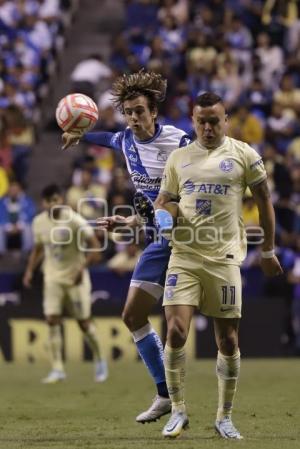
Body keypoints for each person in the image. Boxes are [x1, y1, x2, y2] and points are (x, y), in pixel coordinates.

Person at [62, 70, 191, 422]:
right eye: (129, 112)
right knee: (132, 315)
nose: (134, 118)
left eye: (139, 111)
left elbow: (198, 185)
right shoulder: (126, 141)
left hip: (189, 236)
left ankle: (200, 405)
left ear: (154, 113)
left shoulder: (179, 142)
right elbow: (106, 137)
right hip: (158, 239)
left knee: (201, 327)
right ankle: (165, 394)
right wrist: (80, 134)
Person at [153, 92, 283, 439]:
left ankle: (224, 416)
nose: (208, 127)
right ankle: (178, 411)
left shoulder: (244, 154)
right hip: (184, 256)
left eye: (215, 121)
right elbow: (164, 201)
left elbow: (265, 200)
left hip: (225, 259)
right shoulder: (179, 158)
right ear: (192, 121)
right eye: (201, 121)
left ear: (225, 120)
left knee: (227, 340)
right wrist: (164, 215)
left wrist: (268, 251)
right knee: (176, 331)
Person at [23, 184, 108, 384]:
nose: (53, 203)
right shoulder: (38, 223)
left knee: (84, 323)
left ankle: (100, 359)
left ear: (61, 199)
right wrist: (29, 270)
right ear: (43, 203)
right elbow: (38, 249)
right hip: (52, 277)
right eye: (49, 200)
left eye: (56, 199)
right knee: (51, 319)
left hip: (75, 278)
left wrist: (81, 268)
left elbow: (96, 247)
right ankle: (58, 369)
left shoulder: (74, 220)